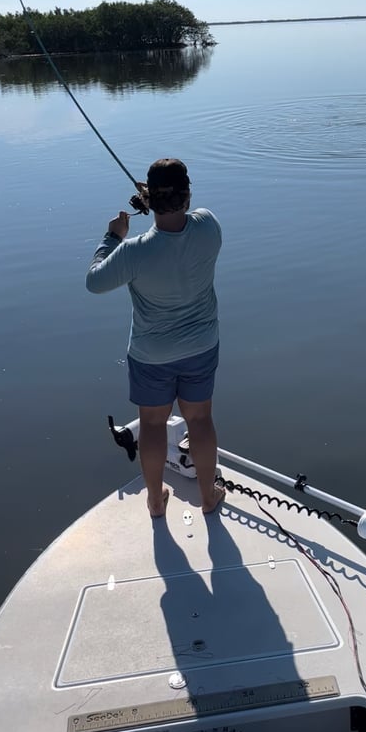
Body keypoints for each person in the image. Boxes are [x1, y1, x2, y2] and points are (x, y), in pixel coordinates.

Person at [86, 158, 224, 519]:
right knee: (199, 420)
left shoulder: (133, 252)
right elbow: (182, 224)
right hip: (201, 347)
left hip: (151, 356)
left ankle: (154, 501)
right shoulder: (209, 226)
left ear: (150, 200)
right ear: (188, 194)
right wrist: (157, 203)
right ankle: (208, 496)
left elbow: (95, 281)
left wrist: (112, 236)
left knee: (151, 425)